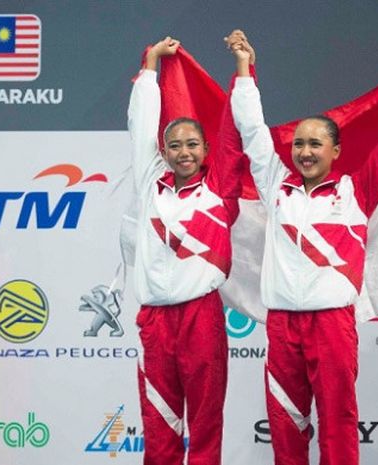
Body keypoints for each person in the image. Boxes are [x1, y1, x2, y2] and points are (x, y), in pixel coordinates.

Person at [226, 29, 378, 465]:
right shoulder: (275, 186)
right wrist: (244, 69)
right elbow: (252, 131)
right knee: (286, 424)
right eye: (299, 144)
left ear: (335, 150)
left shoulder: (356, 191)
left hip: (332, 326)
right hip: (283, 328)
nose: (304, 151)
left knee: (337, 419)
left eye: (315, 144)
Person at [128, 37, 252, 465]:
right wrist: (149, 67)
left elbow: (237, 133)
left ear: (205, 152)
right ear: (163, 152)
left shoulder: (219, 192)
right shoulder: (150, 187)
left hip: (201, 318)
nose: (184, 152)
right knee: (158, 422)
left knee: (204, 423)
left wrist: (243, 70)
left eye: (193, 145)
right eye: (175, 145)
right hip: (155, 321)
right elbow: (140, 124)